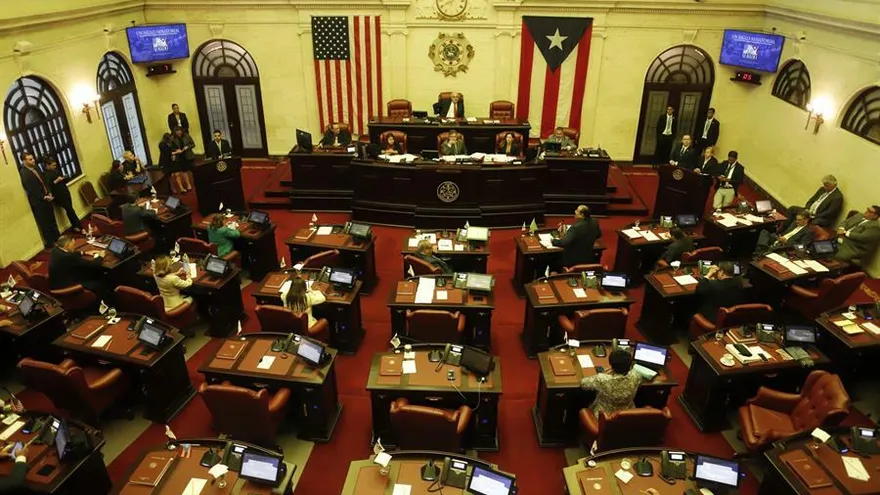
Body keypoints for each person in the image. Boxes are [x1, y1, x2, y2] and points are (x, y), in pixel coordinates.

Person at [579, 349, 643, 415]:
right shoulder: (636, 376)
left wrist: (604, 373)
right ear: (630, 364)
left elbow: (583, 384)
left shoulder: (602, 379)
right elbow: (639, 384)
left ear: (610, 363)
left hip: (604, 416)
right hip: (628, 414)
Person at [49, 234, 109, 303]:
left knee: (90, 271)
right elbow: (94, 265)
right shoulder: (69, 257)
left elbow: (70, 253)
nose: (74, 247)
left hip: (58, 282)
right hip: (68, 286)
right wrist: (100, 256)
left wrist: (84, 252)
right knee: (99, 282)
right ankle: (105, 303)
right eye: (73, 245)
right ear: (66, 245)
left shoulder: (55, 250)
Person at [19, 151, 59, 248]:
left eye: (33, 158)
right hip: (38, 202)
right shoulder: (24, 173)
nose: (33, 160)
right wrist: (44, 197)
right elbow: (31, 189)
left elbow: (44, 180)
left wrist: (49, 192)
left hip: (47, 197)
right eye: (30, 159)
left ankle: (58, 238)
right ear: (24, 161)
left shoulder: (36, 167)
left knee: (52, 219)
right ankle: (51, 243)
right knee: (45, 223)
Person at [42, 156, 81, 232]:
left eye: (55, 165)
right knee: (70, 209)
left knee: (70, 209)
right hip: (58, 195)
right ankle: (78, 225)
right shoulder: (45, 174)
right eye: (53, 165)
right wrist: (56, 181)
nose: (55, 167)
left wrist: (64, 178)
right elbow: (48, 186)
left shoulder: (55, 170)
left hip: (64, 191)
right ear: (47, 165)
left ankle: (75, 225)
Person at [171, 126, 195, 192]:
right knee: (183, 171)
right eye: (177, 132)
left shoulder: (187, 136)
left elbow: (193, 144)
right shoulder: (173, 139)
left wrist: (187, 147)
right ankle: (187, 185)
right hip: (179, 156)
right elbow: (171, 148)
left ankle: (191, 183)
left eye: (180, 132)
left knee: (190, 170)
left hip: (188, 155)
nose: (179, 133)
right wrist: (176, 150)